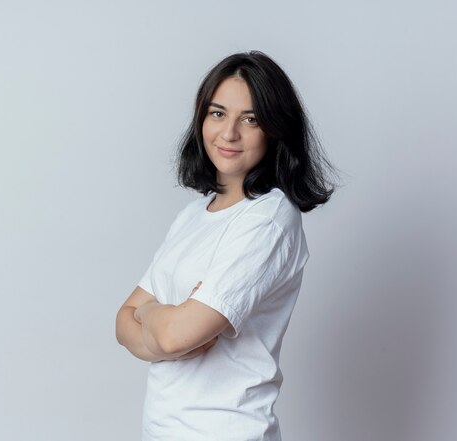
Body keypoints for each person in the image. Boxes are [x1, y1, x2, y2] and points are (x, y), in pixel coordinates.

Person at [115, 50, 337, 441]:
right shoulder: (194, 214)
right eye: (217, 113)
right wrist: (162, 315)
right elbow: (123, 322)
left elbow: (170, 338)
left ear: (274, 129)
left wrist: (150, 317)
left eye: (250, 119)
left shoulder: (268, 218)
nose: (229, 133)